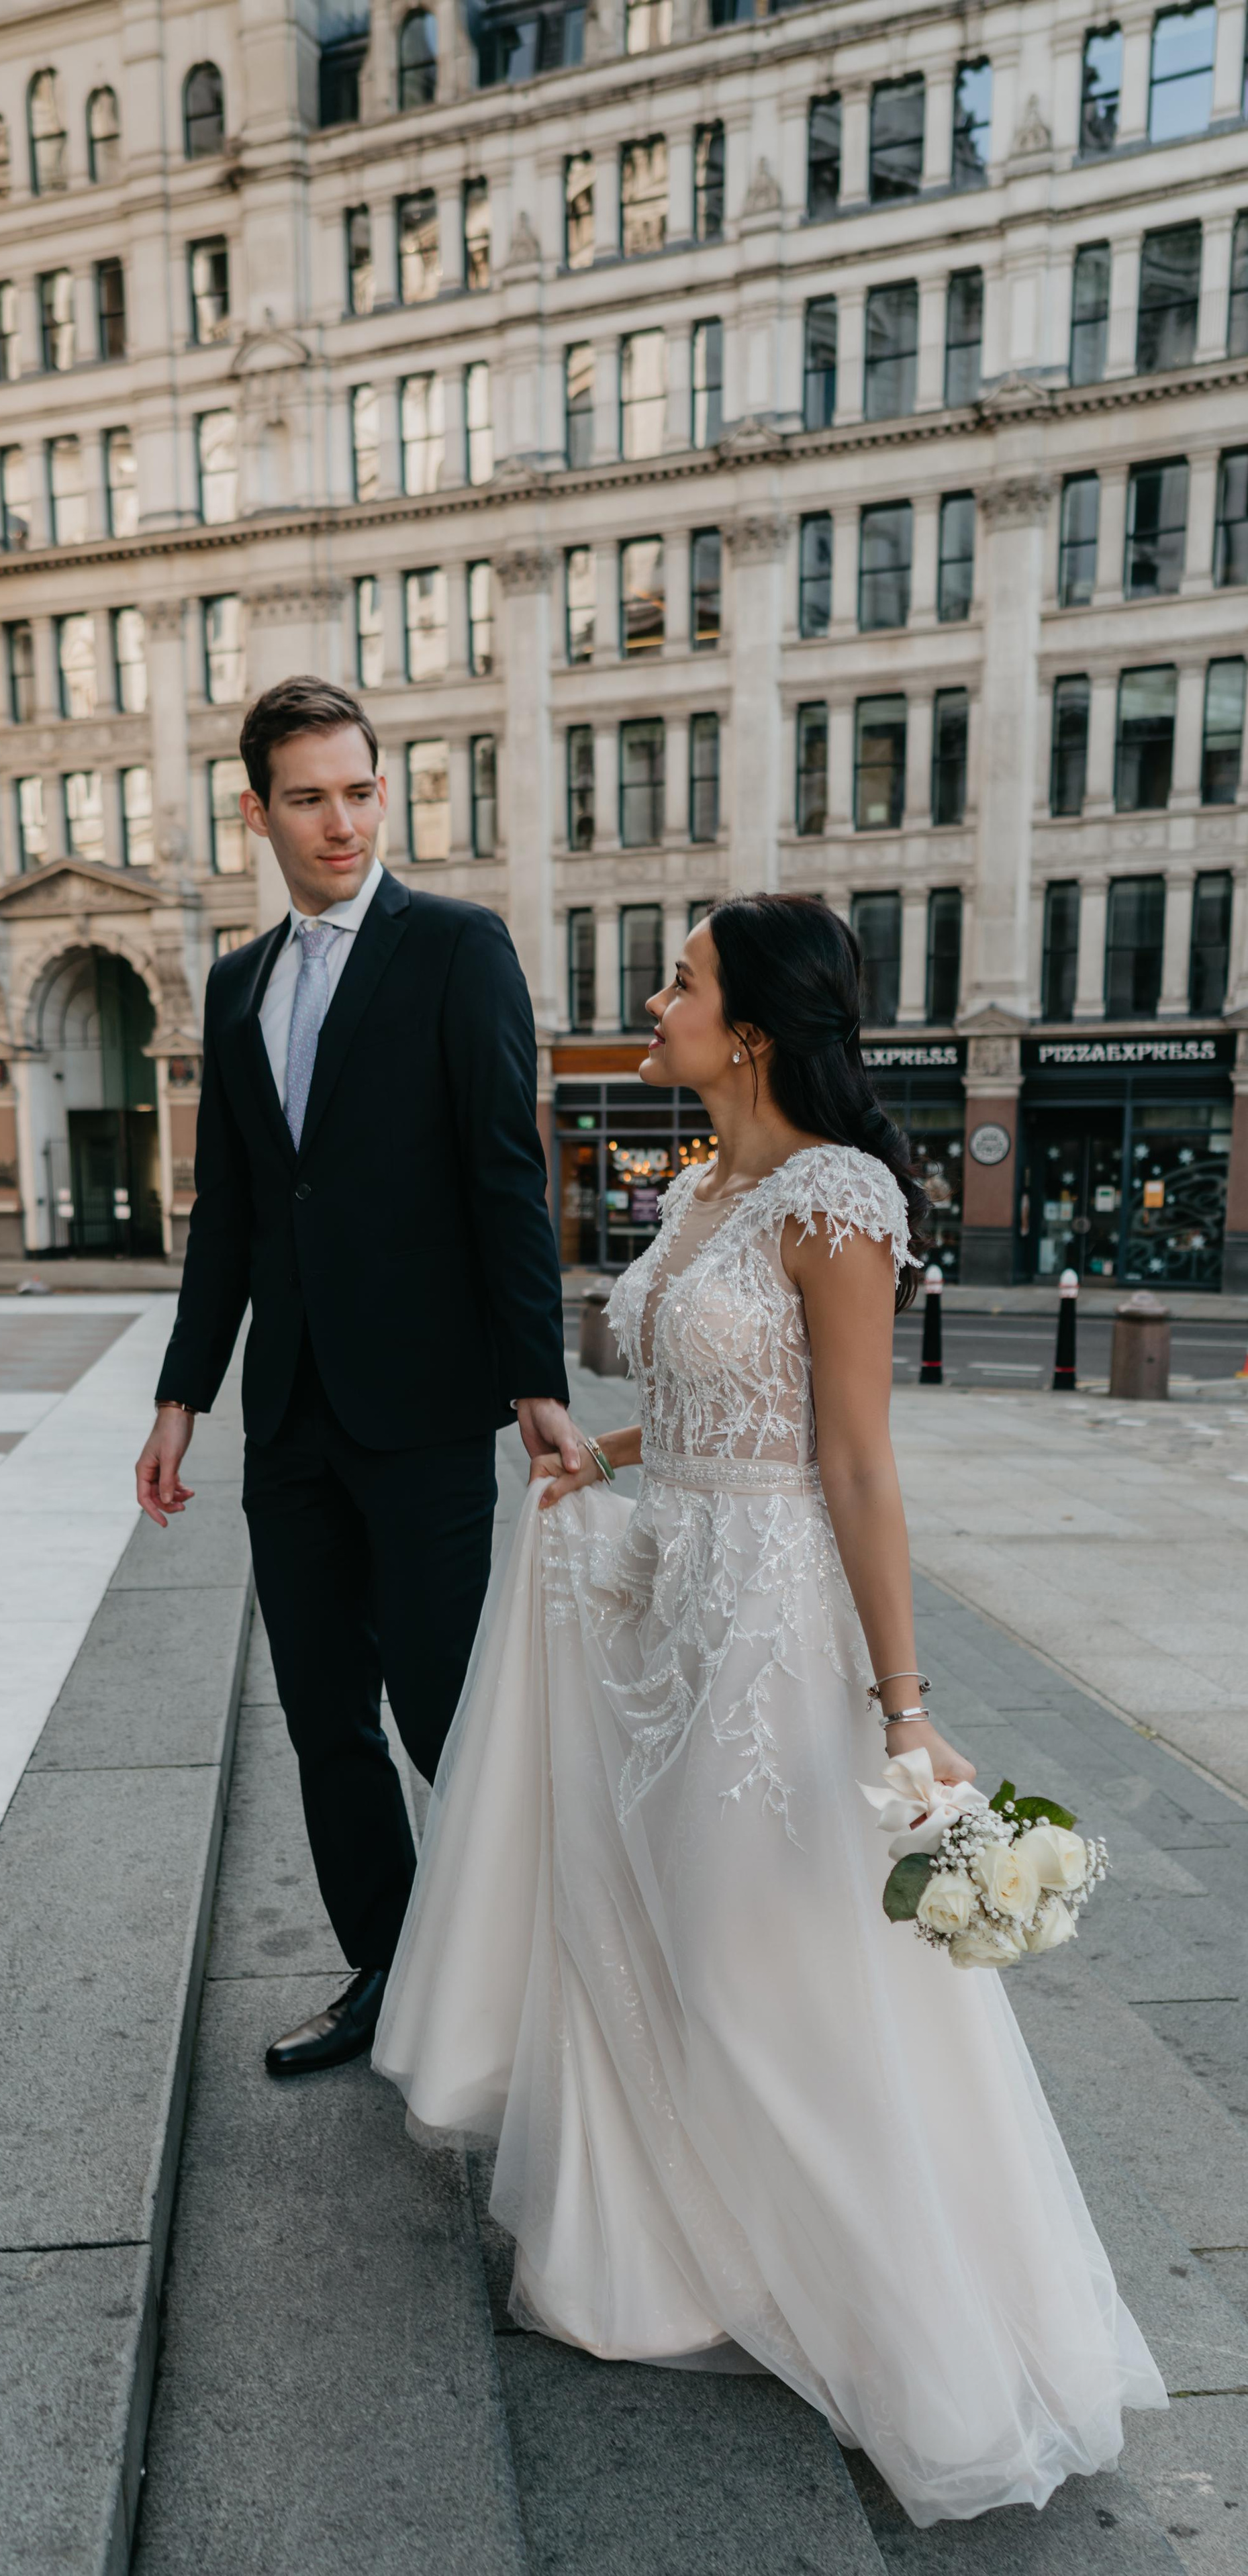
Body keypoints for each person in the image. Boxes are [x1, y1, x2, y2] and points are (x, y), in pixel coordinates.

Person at [374, 894, 1165, 2526]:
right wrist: (604, 1456)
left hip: (765, 1630)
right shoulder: (694, 1190)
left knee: (754, 1964)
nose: (651, 999)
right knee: (646, 1938)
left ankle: (896, 2310)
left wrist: (903, 1704)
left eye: (677, 979)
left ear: (748, 1027)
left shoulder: (835, 1197)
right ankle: (664, 2260)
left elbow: (853, 1456)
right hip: (652, 1600)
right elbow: (696, 1403)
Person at [135, 675, 583, 2078]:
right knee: (322, 1714)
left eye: (360, 788)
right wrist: (180, 1396)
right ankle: (388, 1973)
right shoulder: (235, 980)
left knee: (449, 1712)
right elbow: (235, 1205)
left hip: (430, 1406)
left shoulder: (456, 949)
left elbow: (505, 1175)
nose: (341, 820)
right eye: (310, 795)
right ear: (256, 810)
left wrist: (535, 1378)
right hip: (294, 1418)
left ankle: (541, 1973)